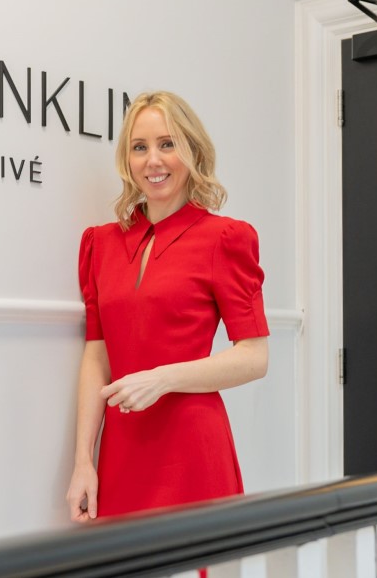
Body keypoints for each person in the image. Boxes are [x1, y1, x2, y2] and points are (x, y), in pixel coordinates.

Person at [66, 91, 270, 522]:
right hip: (122, 448)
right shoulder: (99, 244)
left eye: (167, 144)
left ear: (192, 150)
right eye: (140, 148)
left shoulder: (225, 238)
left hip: (192, 446)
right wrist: (83, 459)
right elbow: (97, 355)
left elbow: (254, 358)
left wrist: (162, 379)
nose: (152, 160)